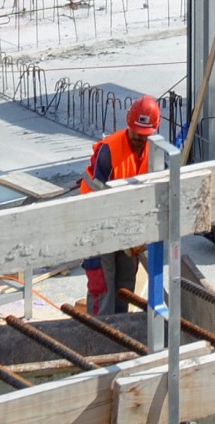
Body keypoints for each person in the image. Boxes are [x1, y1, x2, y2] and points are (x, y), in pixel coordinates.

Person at [80, 95, 163, 316]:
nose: (139, 137)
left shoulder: (155, 152)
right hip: (98, 224)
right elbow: (98, 201)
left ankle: (120, 332)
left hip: (128, 223)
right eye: (136, 131)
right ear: (128, 124)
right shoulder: (109, 151)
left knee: (125, 283)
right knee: (103, 285)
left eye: (145, 134)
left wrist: (140, 233)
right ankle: (98, 336)